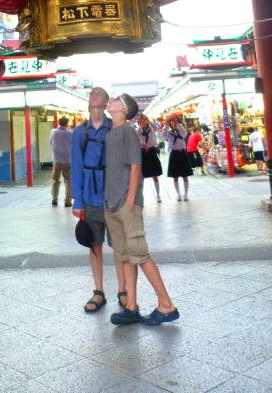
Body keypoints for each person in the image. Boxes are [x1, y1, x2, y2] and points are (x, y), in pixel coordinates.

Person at [104, 93, 179, 327]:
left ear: (124, 109)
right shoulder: (111, 133)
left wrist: (129, 200)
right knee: (125, 256)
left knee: (140, 253)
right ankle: (131, 307)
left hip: (126, 204)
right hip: (111, 203)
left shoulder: (128, 131)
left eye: (116, 99)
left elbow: (136, 166)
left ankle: (166, 305)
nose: (111, 100)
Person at [71, 87, 126, 314]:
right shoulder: (79, 132)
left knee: (119, 246)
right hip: (90, 197)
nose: (93, 94)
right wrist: (77, 201)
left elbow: (125, 164)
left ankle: (123, 290)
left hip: (113, 197)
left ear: (105, 103)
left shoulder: (115, 128)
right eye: (91, 93)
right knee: (94, 245)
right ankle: (99, 291)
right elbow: (76, 167)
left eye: (99, 93)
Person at [162, 116, 193, 200]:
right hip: (174, 154)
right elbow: (163, 134)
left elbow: (184, 133)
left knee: (185, 175)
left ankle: (186, 194)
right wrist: (166, 124)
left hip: (182, 153)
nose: (174, 123)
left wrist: (178, 123)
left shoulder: (182, 132)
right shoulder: (169, 133)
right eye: (172, 122)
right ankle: (178, 194)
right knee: (175, 176)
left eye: (175, 122)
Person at [137, 113, 163, 201]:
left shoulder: (151, 130)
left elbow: (156, 127)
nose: (143, 122)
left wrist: (148, 119)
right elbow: (136, 137)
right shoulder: (139, 130)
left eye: (144, 121)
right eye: (141, 121)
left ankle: (158, 195)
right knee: (142, 176)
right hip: (143, 152)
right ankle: (141, 196)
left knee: (154, 174)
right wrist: (140, 125)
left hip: (152, 151)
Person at [50, 116, 72, 207]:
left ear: (59, 123)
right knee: (68, 181)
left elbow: (51, 142)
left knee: (55, 180)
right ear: (67, 123)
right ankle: (67, 201)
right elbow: (73, 145)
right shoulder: (70, 133)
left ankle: (54, 199)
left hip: (56, 160)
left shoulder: (53, 131)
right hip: (67, 160)